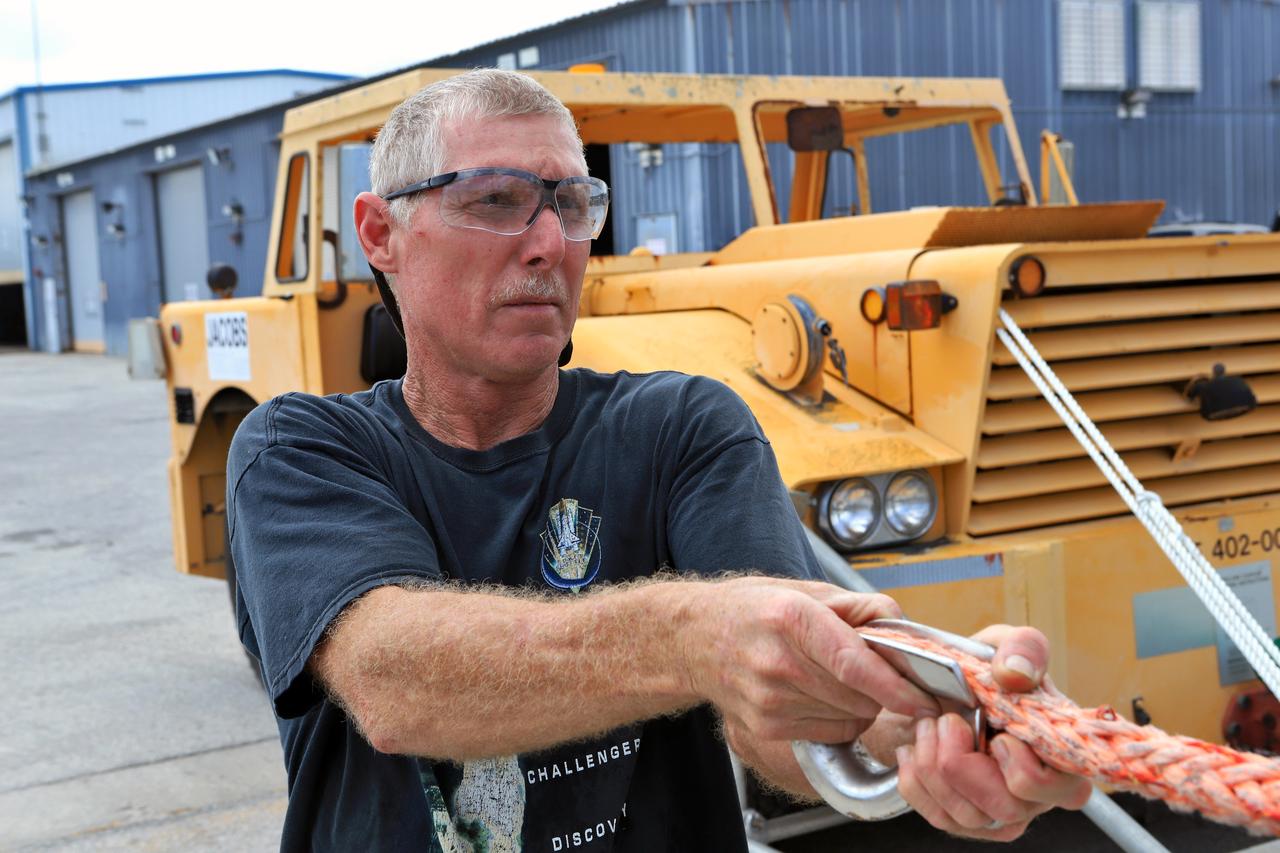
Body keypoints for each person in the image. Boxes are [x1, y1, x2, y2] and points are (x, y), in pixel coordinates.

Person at [226, 68, 1090, 852]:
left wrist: (919, 719)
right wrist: (699, 636)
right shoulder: (299, 450)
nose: (549, 242)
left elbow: (782, 712)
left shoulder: (683, 429)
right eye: (495, 200)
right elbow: (395, 680)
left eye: (571, 204)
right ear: (381, 232)